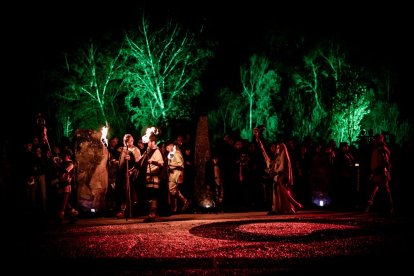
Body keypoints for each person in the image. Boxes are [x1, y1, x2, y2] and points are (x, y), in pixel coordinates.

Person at [253, 128, 303, 214]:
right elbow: (262, 149)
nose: (274, 148)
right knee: (276, 189)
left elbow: (284, 164)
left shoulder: (282, 155)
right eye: (272, 147)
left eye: (276, 147)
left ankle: (294, 204)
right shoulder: (269, 160)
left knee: (280, 184)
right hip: (275, 181)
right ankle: (280, 208)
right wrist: (257, 137)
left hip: (282, 178)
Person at [115, 134, 141, 219]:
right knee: (122, 192)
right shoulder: (123, 149)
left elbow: (138, 163)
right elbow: (121, 162)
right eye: (125, 140)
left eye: (129, 140)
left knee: (129, 192)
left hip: (130, 174)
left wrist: (131, 170)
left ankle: (127, 210)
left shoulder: (135, 149)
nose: (127, 141)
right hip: (122, 174)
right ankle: (123, 210)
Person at [365, 134, 393, 213]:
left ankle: (389, 207)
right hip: (377, 172)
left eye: (376, 139)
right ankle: (369, 207)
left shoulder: (382, 149)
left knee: (384, 191)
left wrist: (377, 171)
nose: (374, 140)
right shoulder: (377, 149)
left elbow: (384, 162)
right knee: (374, 190)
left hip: (380, 173)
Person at [141, 133, 164, 222]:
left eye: (149, 142)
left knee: (153, 196)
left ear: (153, 142)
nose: (148, 144)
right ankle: (150, 214)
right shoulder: (148, 151)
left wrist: (153, 162)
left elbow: (161, 163)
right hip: (148, 177)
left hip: (154, 177)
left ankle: (152, 214)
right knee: (149, 196)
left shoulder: (157, 151)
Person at [166, 140, 189, 214]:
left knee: (171, 189)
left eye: (168, 146)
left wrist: (170, 166)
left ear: (172, 146)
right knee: (174, 190)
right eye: (166, 147)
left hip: (176, 173)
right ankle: (175, 207)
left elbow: (180, 164)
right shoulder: (171, 153)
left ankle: (185, 201)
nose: (167, 148)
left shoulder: (176, 153)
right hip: (172, 173)